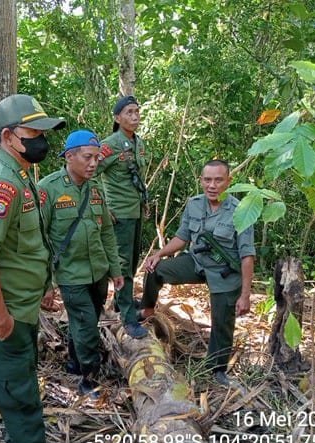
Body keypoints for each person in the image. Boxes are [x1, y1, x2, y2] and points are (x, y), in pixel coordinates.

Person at [0, 94, 65, 443]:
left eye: (43, 133)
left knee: (21, 392)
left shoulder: (21, 176)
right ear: (8, 137)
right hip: (3, 319)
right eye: (33, 134)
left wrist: (44, 289)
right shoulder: (1, 185)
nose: (41, 141)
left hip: (21, 310)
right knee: (22, 407)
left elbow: (28, 246)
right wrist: (2, 318)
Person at [138, 159, 255, 385]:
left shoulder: (241, 211)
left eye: (218, 180)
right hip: (197, 262)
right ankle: (147, 310)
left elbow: (247, 255)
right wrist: (159, 254)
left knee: (222, 319)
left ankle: (217, 369)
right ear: (201, 181)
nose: (212, 185)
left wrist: (245, 294)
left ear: (229, 182)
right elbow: (182, 238)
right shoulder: (194, 204)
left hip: (225, 272)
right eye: (207, 180)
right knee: (156, 270)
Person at [39, 130, 124, 397]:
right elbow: (39, 239)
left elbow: (107, 234)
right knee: (87, 326)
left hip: (97, 272)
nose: (94, 163)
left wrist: (116, 270)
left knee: (85, 321)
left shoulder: (95, 189)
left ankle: (75, 363)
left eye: (97, 158)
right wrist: (47, 283)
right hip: (70, 274)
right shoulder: (48, 189)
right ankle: (89, 380)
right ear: (69, 156)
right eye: (87, 157)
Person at [96, 95, 150, 339]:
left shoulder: (137, 143)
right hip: (119, 214)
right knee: (123, 266)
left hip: (135, 211)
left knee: (133, 260)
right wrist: (102, 207)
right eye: (129, 112)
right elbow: (89, 173)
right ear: (117, 118)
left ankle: (121, 300)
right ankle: (128, 318)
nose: (135, 116)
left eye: (137, 111)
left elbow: (137, 178)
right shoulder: (110, 144)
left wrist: (144, 203)